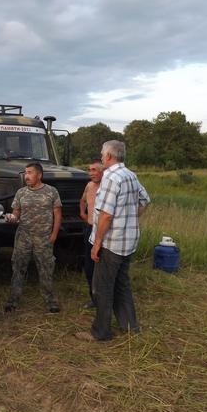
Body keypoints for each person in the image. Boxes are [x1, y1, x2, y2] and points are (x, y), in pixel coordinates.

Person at [88, 140, 150, 341]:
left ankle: (101, 332)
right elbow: (145, 200)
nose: (101, 156)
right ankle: (130, 327)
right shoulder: (131, 175)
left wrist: (97, 243)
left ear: (108, 156)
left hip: (112, 243)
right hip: (128, 241)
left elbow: (106, 215)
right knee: (122, 284)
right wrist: (130, 217)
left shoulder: (111, 177)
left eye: (102, 153)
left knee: (103, 288)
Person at [4, 162, 62, 313]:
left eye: (30, 172)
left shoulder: (51, 191)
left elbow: (57, 215)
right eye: (25, 173)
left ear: (39, 175)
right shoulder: (21, 192)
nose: (26, 176)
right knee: (18, 268)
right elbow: (16, 213)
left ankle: (51, 301)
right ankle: (13, 301)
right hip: (23, 237)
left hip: (43, 238)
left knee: (46, 269)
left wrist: (54, 235)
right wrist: (12, 218)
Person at [79, 158, 104, 308]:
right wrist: (83, 213)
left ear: (103, 171)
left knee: (103, 267)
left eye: (94, 170)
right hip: (89, 229)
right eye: (89, 170)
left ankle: (106, 299)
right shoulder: (89, 185)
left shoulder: (107, 187)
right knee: (89, 267)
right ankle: (94, 299)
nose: (91, 173)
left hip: (103, 231)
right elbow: (83, 200)